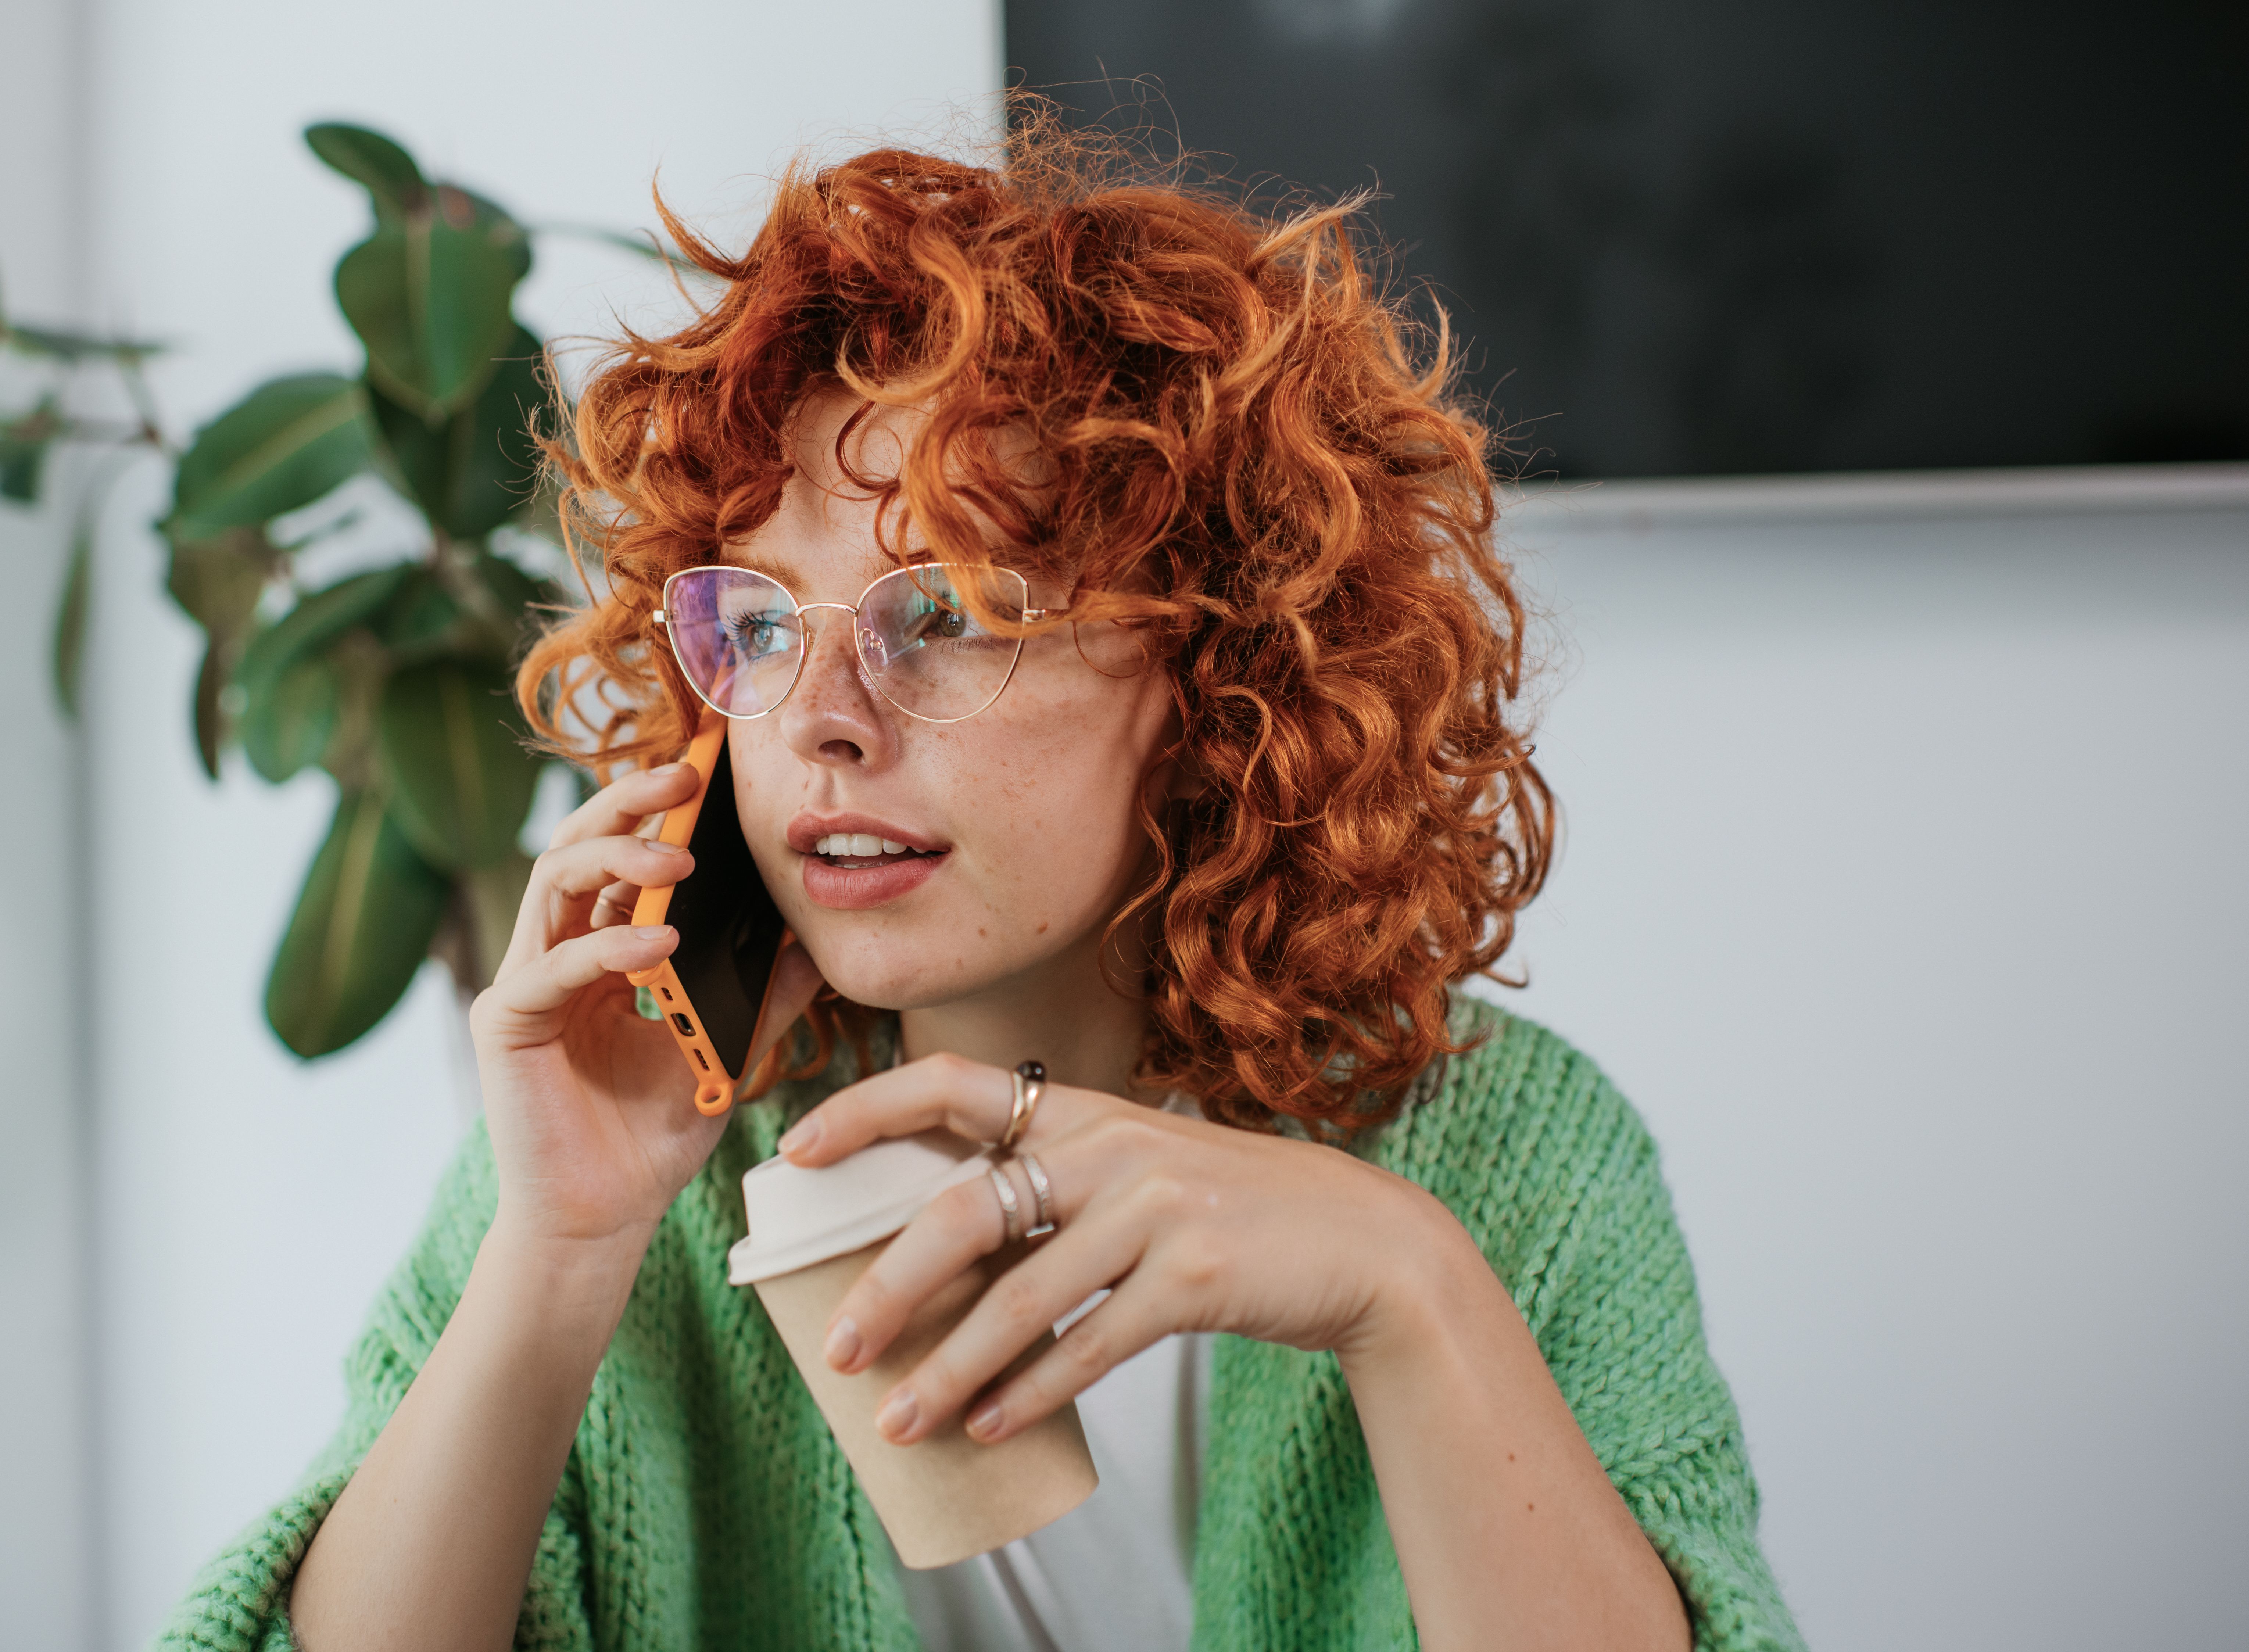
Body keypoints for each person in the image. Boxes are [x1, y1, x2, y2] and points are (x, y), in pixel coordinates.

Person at [162, 122, 1803, 1652]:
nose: (817, 722)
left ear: (1211, 672)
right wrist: (559, 1250)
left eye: (941, 615)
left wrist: (1405, 1288)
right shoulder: (640, 1137)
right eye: (764, 620)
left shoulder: (1522, 1172)